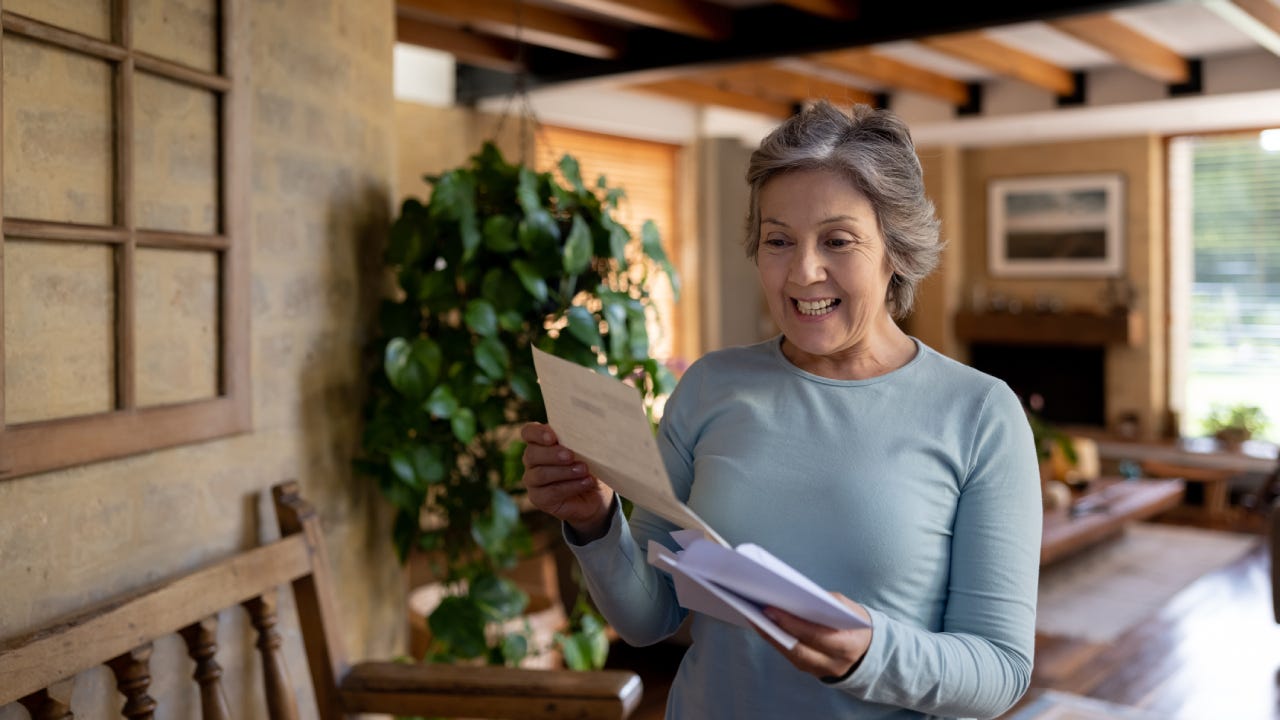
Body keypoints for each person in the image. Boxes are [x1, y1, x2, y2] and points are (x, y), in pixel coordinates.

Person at [521, 100, 1041, 719]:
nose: (803, 271)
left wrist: (871, 653)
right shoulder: (712, 387)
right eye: (778, 240)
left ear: (895, 249)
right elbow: (647, 618)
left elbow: (1001, 670)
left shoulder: (980, 413)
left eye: (838, 240)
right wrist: (595, 522)